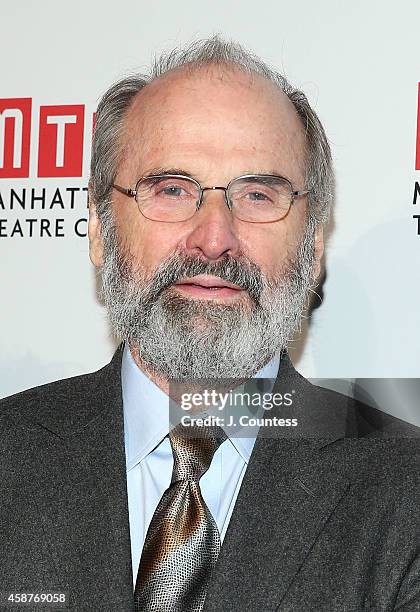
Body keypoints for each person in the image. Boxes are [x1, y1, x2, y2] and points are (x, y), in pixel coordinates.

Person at [1, 36, 419, 612]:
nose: (215, 238)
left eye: (257, 194)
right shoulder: (10, 455)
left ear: (313, 245)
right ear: (100, 229)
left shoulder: (405, 494)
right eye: (172, 190)